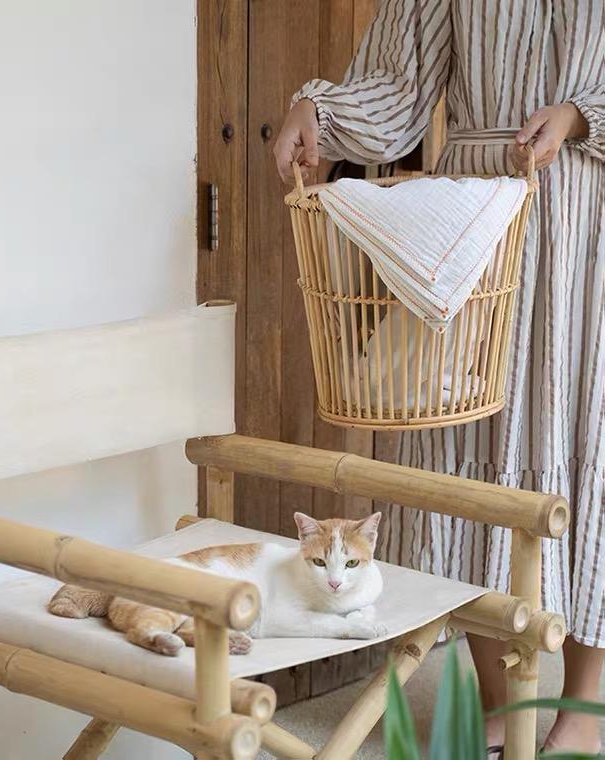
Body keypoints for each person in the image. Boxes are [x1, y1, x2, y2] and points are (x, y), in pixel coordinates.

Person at [274, 1, 604, 754]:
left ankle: (582, 712)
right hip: (472, 219)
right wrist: (318, 110)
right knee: (465, 444)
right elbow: (400, 78)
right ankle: (500, 700)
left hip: (590, 214)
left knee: (593, 431)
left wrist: (581, 115)